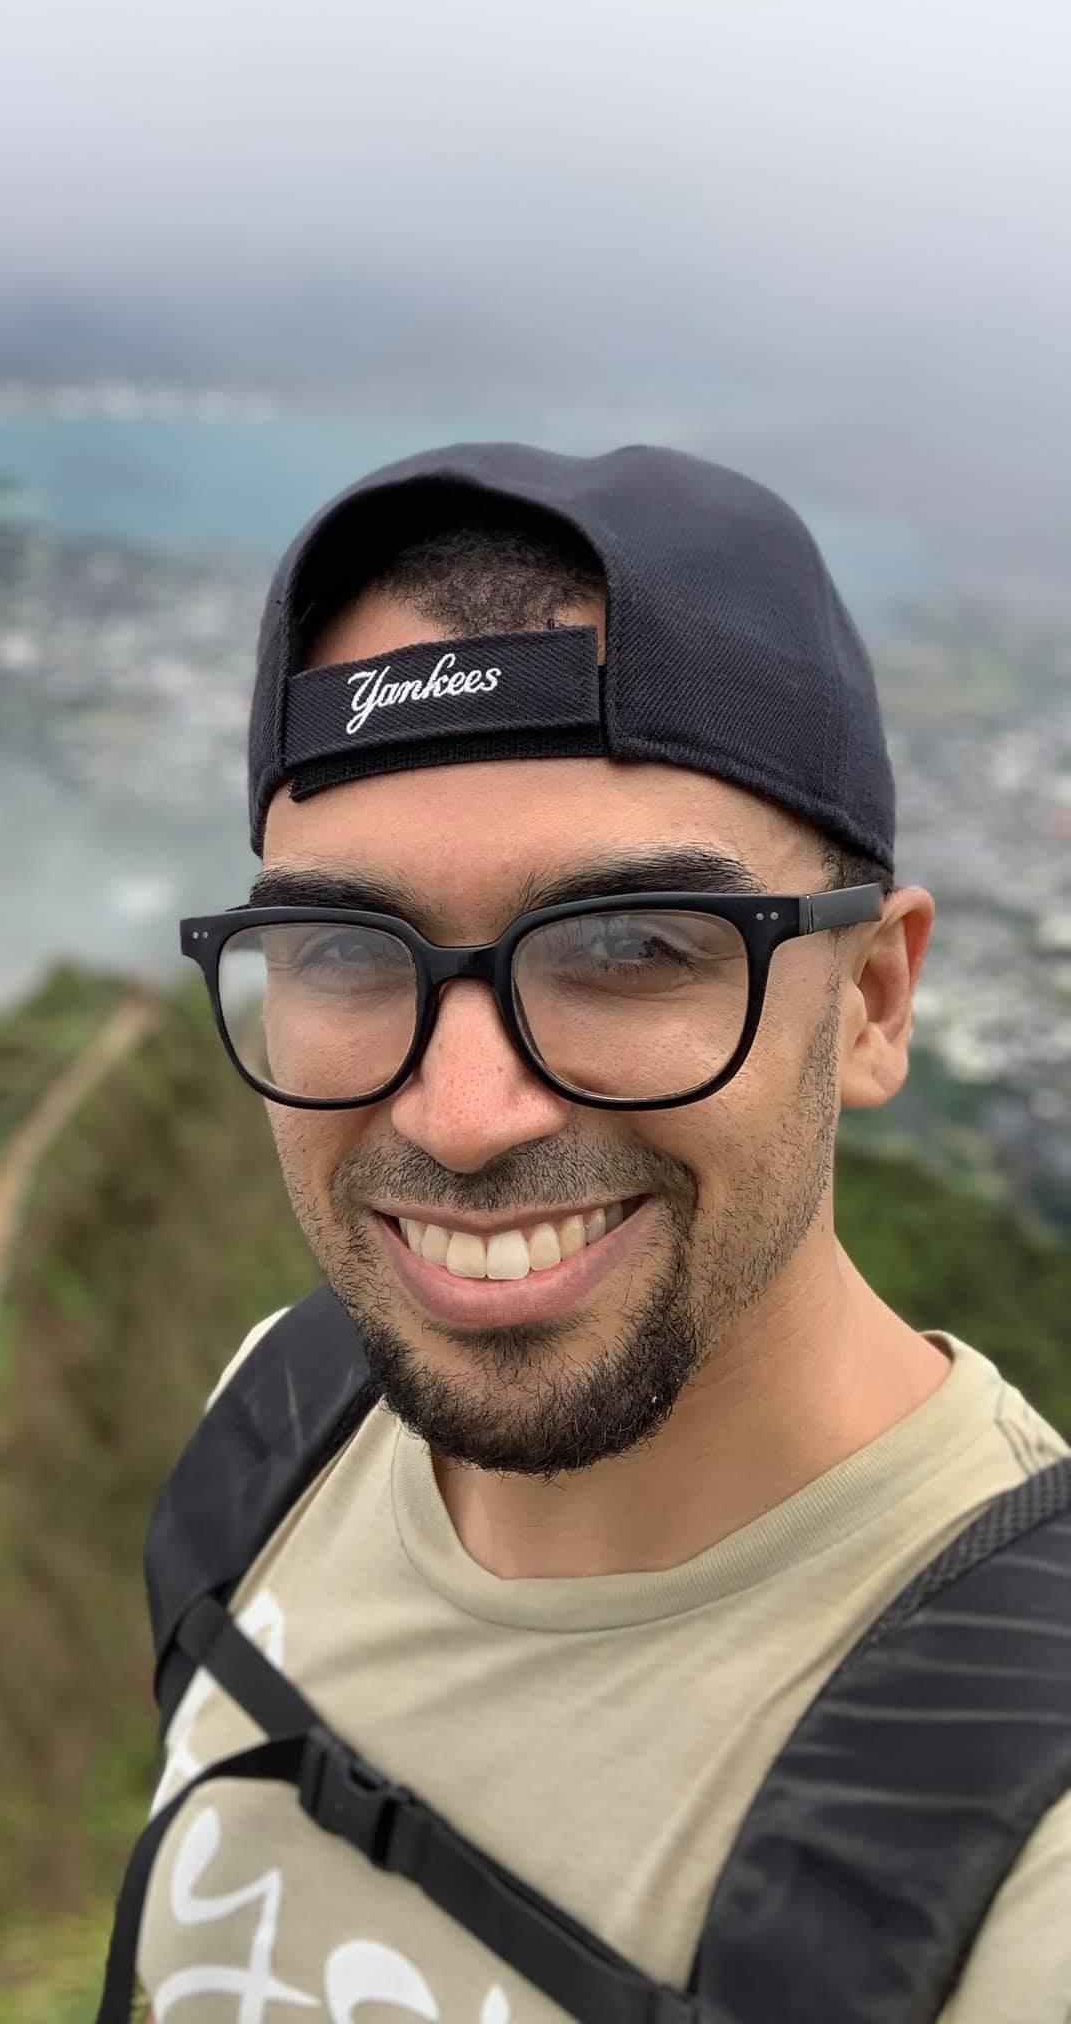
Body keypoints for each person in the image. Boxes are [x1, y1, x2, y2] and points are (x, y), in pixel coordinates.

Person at [132, 444, 1071, 2020]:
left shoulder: (1027, 1839)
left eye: (631, 945)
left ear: (876, 1000)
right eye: (341, 949)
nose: (460, 1113)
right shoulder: (276, 1428)